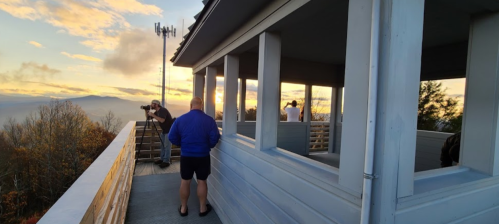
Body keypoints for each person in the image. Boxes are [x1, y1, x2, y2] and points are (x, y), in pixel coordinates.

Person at [168, 97, 221, 217]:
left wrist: (182, 144)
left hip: (186, 155)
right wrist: (209, 145)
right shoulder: (209, 120)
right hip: (203, 155)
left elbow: (171, 136)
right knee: (202, 181)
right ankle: (202, 209)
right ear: (201, 106)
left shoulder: (180, 119)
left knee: (185, 181)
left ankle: (183, 208)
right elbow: (215, 137)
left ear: (190, 105)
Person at [147, 99, 173, 168]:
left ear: (156, 104)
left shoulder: (163, 110)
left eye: (152, 103)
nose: (151, 105)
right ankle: (162, 159)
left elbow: (162, 120)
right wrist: (146, 111)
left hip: (169, 131)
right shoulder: (157, 112)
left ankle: (166, 161)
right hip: (164, 131)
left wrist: (152, 114)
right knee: (162, 146)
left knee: (167, 146)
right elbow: (148, 118)